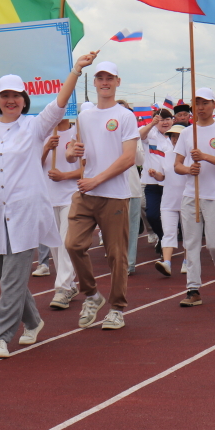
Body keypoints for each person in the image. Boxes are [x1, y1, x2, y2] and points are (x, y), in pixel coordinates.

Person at [0, 55, 91, 359]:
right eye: (5, 96)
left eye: (16, 96)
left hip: (24, 212)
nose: (11, 101)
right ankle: (33, 321)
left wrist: (75, 71)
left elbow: (59, 103)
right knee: (7, 279)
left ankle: (0, 337)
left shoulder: (35, 127)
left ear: (24, 99)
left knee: (14, 278)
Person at [64, 60, 140, 331]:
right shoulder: (85, 115)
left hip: (114, 194)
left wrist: (98, 179)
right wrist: (70, 152)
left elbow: (129, 158)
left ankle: (117, 307)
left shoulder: (125, 116)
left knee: (116, 254)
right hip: (85, 193)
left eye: (110, 78)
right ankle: (92, 294)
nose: (105, 82)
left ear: (118, 82)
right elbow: (75, 147)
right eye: (100, 78)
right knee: (73, 245)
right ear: (94, 82)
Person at [174, 87, 215, 307]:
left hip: (214, 195)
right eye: (197, 103)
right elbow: (177, 165)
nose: (201, 108)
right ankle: (193, 290)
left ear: (213, 105)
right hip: (191, 195)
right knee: (190, 243)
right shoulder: (186, 133)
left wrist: (206, 157)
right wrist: (187, 170)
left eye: (205, 103)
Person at [42, 119, 83, 310]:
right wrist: (46, 149)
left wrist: (64, 176)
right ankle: (69, 285)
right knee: (55, 246)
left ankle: (63, 287)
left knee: (67, 242)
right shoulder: (42, 133)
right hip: (48, 197)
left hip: (71, 196)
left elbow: (87, 168)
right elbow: (30, 165)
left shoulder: (79, 134)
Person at [151, 125, 188, 276]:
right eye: (173, 136)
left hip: (187, 200)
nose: (175, 139)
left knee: (188, 233)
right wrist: (155, 175)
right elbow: (163, 177)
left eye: (178, 136)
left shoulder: (192, 155)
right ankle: (167, 263)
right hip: (168, 200)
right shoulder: (165, 155)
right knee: (168, 232)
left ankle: (187, 261)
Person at [139, 108, 174, 251]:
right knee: (152, 215)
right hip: (152, 182)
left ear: (173, 120)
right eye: (161, 119)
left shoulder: (178, 135)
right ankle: (162, 237)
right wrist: (151, 124)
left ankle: (167, 241)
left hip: (171, 183)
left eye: (167, 119)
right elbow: (139, 135)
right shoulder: (151, 134)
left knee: (170, 215)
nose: (164, 122)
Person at [117, 100, 145, 274]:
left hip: (132, 186)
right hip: (112, 188)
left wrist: (131, 142)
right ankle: (118, 260)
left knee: (131, 228)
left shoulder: (134, 135)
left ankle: (129, 263)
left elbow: (140, 160)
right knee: (114, 229)